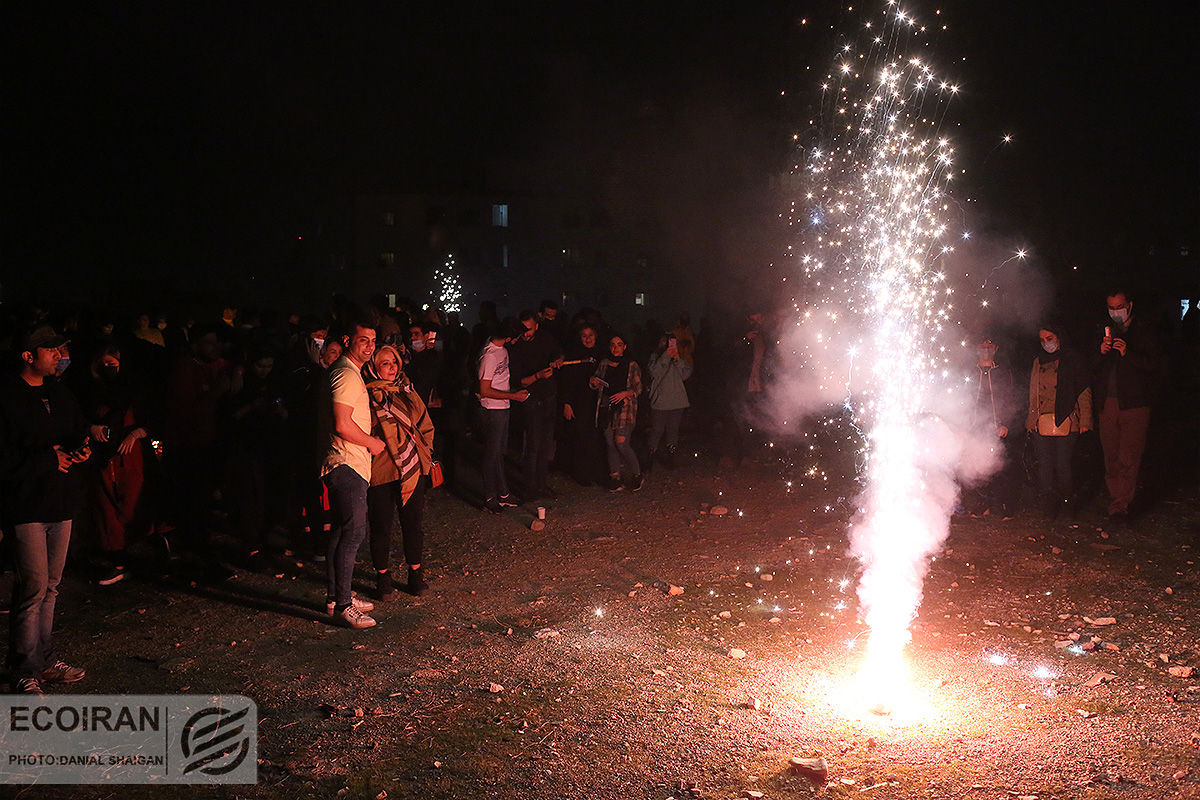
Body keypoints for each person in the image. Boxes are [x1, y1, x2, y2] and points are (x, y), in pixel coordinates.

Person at [0, 326, 90, 694]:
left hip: (60, 500)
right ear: (28, 355)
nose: (60, 356)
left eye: (61, 349)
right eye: (52, 350)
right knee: (33, 586)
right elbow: (5, 458)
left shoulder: (59, 391)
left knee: (51, 586)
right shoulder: (6, 397)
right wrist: (48, 459)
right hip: (26, 504)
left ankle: (44, 659)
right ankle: (22, 669)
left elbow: (76, 428)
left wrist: (83, 446)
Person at [320, 321, 385, 628]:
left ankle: (336, 596)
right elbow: (342, 424)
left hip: (348, 462)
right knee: (354, 532)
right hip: (347, 463)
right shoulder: (345, 374)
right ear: (348, 340)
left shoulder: (351, 372)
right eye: (363, 340)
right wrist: (372, 442)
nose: (370, 346)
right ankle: (345, 605)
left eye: (373, 341)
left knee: (342, 530)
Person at [363, 345, 435, 598]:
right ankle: (383, 579)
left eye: (394, 361)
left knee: (413, 523)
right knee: (381, 525)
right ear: (373, 367)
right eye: (384, 363)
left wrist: (425, 453)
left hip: (411, 467)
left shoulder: (407, 390)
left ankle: (415, 575)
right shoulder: (365, 393)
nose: (392, 367)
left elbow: (425, 423)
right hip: (381, 469)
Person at [1093, 289, 1165, 518]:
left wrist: (1128, 353)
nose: (1116, 312)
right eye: (1111, 308)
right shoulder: (1104, 331)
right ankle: (1117, 495)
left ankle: (1121, 504)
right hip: (1109, 403)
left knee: (1129, 455)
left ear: (1130, 305)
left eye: (1119, 306)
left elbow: (1155, 365)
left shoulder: (1144, 330)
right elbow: (1091, 368)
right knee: (1111, 454)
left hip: (1134, 403)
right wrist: (1100, 352)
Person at [1026, 324, 1092, 519]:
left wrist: (1085, 420)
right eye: (1043, 339)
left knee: (1063, 464)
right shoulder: (1038, 361)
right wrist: (1031, 420)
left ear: (1059, 336)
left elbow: (1083, 391)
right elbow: (1033, 391)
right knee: (1044, 465)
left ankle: (1067, 503)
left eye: (1050, 338)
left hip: (1067, 419)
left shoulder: (1072, 360)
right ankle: (1047, 504)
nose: (1047, 343)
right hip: (1042, 420)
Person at [508, 310, 563, 498]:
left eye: (529, 330)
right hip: (531, 399)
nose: (526, 334)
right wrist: (538, 375)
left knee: (546, 444)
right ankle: (529, 487)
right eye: (523, 330)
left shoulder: (545, 338)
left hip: (549, 396)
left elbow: (558, 353)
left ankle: (542, 484)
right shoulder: (516, 348)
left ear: (537, 326)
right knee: (533, 444)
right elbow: (519, 381)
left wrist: (558, 360)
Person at [477, 320, 530, 512]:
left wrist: (512, 394)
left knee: (499, 452)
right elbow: (484, 390)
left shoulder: (502, 350)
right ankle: (490, 497)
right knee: (492, 454)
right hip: (492, 409)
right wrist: (513, 396)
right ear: (508, 337)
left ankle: (504, 494)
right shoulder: (489, 356)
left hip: (502, 406)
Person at [965, 336, 1020, 517]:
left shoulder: (1003, 373)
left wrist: (1006, 423)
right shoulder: (970, 374)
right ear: (976, 348)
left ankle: (1006, 505)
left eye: (989, 345)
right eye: (982, 345)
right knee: (978, 466)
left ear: (995, 348)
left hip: (998, 427)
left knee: (1001, 467)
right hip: (975, 427)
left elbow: (1010, 399)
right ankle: (983, 504)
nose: (986, 348)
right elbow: (964, 400)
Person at [592, 333, 643, 491]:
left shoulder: (631, 364)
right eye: (613, 345)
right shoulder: (604, 363)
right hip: (606, 407)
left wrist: (625, 393)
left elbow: (638, 388)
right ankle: (615, 477)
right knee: (610, 443)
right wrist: (593, 382)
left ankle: (637, 474)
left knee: (621, 442)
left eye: (619, 344)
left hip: (624, 408)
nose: (615, 348)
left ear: (624, 347)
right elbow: (596, 382)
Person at [559, 325, 606, 485]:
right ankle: (582, 475)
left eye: (590, 335)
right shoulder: (574, 355)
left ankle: (597, 473)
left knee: (597, 438)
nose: (588, 339)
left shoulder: (601, 354)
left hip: (597, 403)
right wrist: (567, 403)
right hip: (579, 404)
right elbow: (567, 381)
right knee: (581, 439)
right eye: (584, 335)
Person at [647, 332, 693, 469]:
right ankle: (650, 457)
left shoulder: (680, 358)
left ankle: (670, 459)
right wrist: (666, 355)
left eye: (671, 342)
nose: (667, 345)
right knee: (657, 430)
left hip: (677, 401)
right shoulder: (655, 357)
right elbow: (655, 372)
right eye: (664, 342)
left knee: (673, 430)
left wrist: (677, 358)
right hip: (660, 401)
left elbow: (685, 374)